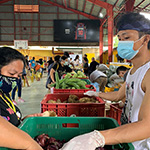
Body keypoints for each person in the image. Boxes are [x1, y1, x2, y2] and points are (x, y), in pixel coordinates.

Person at [60, 12, 150, 150]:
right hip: (129, 140)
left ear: (145, 39)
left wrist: (98, 138)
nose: (122, 43)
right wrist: (97, 95)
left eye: (127, 38)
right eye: (120, 39)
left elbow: (147, 126)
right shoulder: (133, 71)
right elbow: (118, 95)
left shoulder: (148, 73)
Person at [0, 47, 43, 150]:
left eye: (19, 75)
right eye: (11, 74)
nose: (15, 78)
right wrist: (29, 144)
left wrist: (22, 122)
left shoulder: (4, 94)